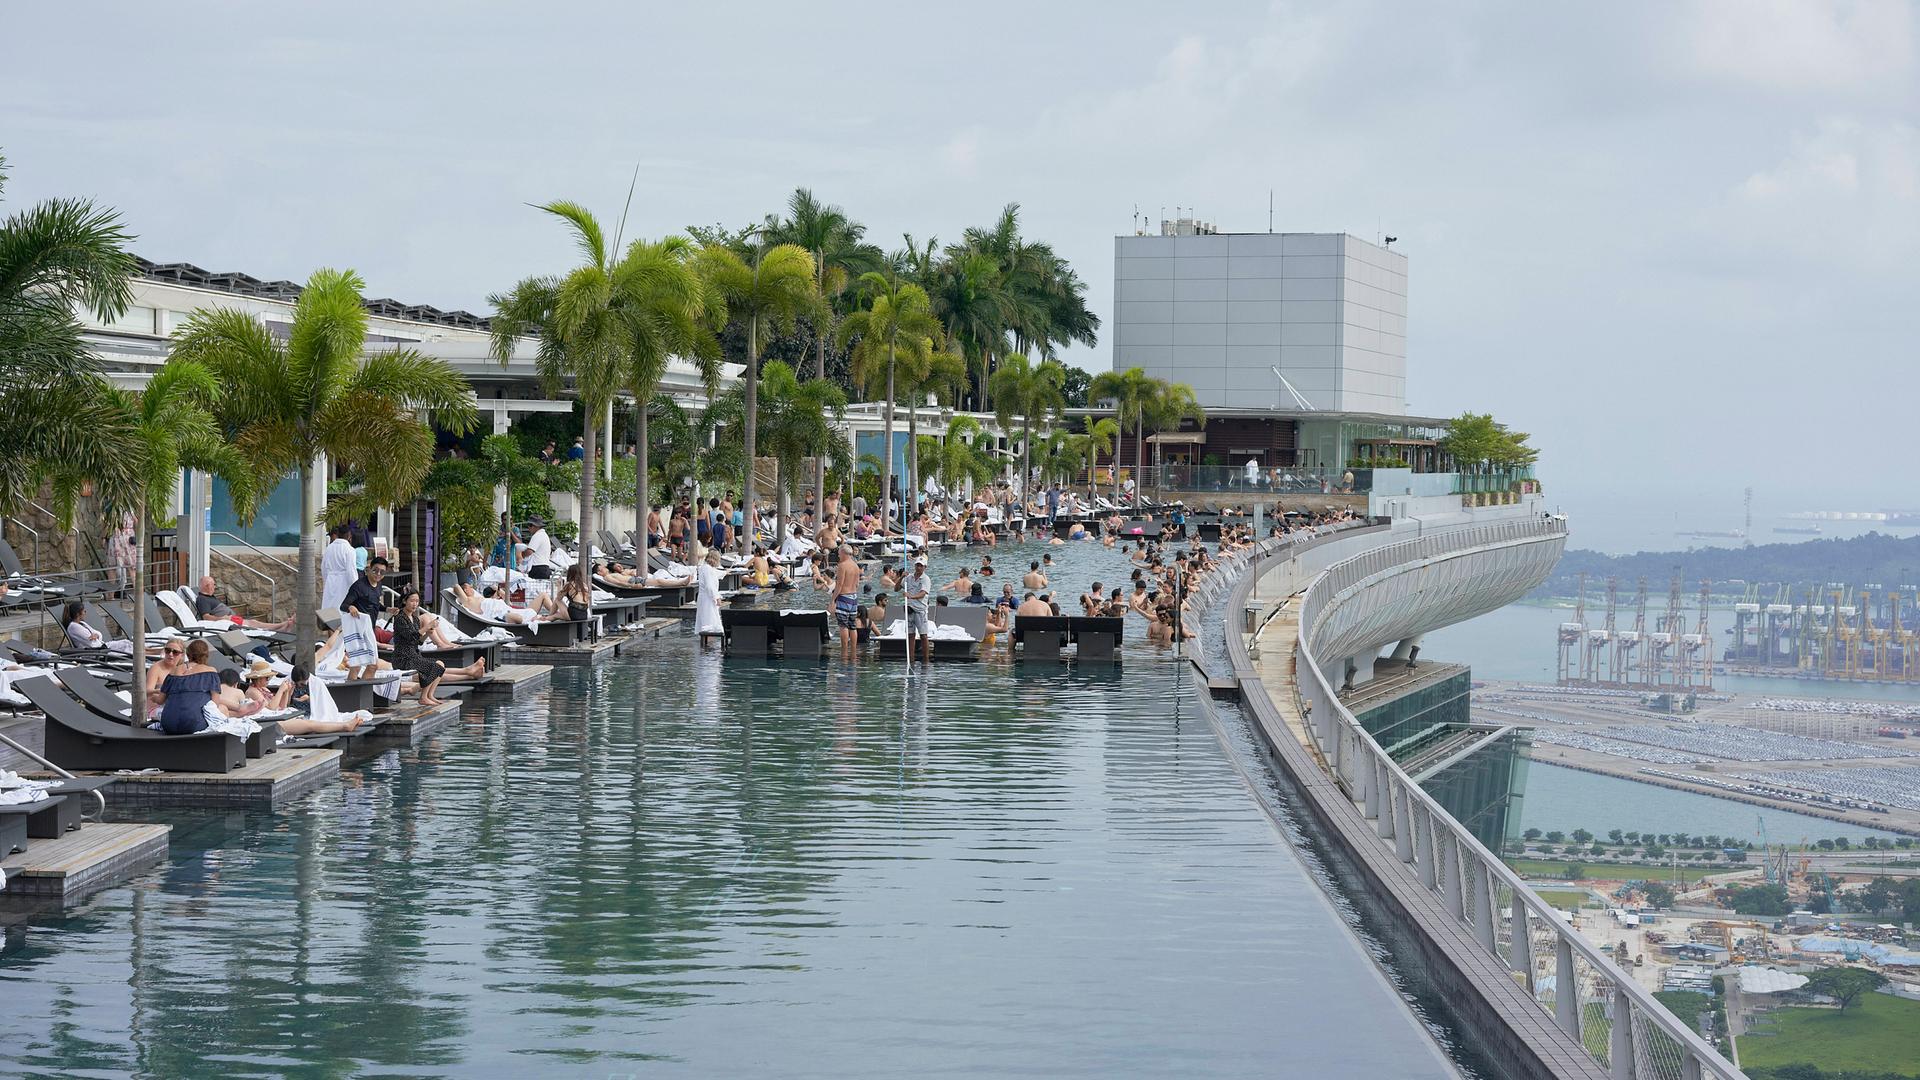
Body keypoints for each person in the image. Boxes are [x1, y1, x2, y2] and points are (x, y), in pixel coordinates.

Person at [393, 589, 483, 707]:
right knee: (433, 667)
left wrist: (427, 634)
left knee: (440, 664)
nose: (415, 604)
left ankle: (429, 695)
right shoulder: (400, 618)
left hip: (414, 655)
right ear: (405, 601)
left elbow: (418, 642)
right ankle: (423, 697)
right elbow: (410, 636)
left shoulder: (414, 619)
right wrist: (427, 626)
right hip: (403, 658)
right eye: (412, 601)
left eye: (417, 601)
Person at [155, 639, 222, 734]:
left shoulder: (173, 672)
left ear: (188, 654)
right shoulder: (210, 672)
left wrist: (152, 696)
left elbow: (160, 700)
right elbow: (215, 704)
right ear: (206, 655)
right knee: (223, 709)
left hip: (168, 723)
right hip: (194, 724)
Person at [341, 557, 389, 680]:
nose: (378, 574)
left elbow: (375, 604)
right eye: (375, 570)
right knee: (358, 665)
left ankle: (361, 691)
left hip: (369, 629)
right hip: (357, 631)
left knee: (372, 665)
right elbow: (344, 605)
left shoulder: (378, 585)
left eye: (382, 572)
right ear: (369, 569)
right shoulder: (359, 586)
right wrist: (351, 607)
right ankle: (352, 693)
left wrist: (387, 609)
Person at [195, 575, 295, 632]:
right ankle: (282, 626)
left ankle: (282, 627)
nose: (215, 587)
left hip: (232, 620)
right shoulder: (202, 599)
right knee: (255, 623)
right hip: (229, 623)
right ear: (207, 586)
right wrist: (222, 618)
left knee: (254, 622)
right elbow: (206, 617)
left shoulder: (208, 597)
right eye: (213, 584)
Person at [833, 545, 862, 661]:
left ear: (843, 553)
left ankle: (844, 652)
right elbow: (857, 584)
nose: (838, 555)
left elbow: (839, 585)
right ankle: (853, 653)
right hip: (854, 597)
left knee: (843, 625)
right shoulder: (855, 566)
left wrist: (833, 600)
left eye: (839, 553)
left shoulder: (842, 566)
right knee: (852, 625)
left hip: (844, 597)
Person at [321, 523, 357, 612]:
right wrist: (356, 588)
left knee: (329, 609)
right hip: (343, 582)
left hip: (330, 581)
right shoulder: (349, 550)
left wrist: (327, 580)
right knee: (342, 609)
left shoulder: (329, 548)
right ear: (349, 535)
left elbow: (323, 568)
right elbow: (351, 571)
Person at [901, 558, 931, 664]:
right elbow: (896, 588)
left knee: (923, 635)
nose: (918, 567)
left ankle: (926, 660)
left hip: (920, 610)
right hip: (909, 610)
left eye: (921, 566)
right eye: (917, 565)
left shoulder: (926, 579)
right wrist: (901, 577)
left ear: (924, 567)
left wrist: (911, 596)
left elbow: (923, 593)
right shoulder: (908, 577)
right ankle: (911, 659)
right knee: (910, 635)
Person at [694, 549, 725, 645]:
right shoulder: (707, 569)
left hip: (706, 598)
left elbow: (716, 574)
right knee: (709, 622)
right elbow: (709, 585)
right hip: (707, 599)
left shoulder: (706, 568)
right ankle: (708, 644)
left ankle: (707, 643)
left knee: (709, 620)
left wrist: (725, 572)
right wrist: (717, 597)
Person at [525, 517, 553, 581]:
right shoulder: (544, 535)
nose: (528, 528)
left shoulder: (538, 535)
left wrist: (521, 555)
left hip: (538, 568)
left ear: (535, 526)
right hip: (543, 567)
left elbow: (529, 551)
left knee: (535, 590)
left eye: (530, 525)